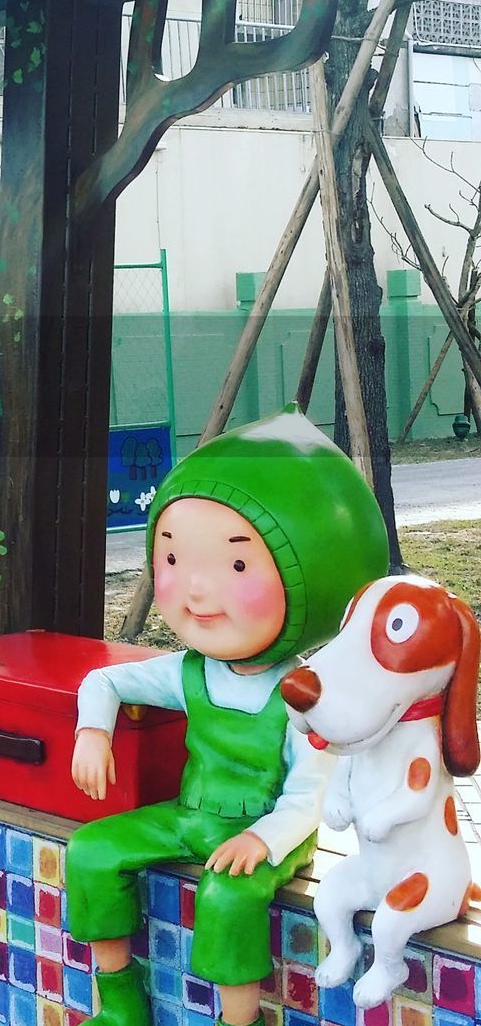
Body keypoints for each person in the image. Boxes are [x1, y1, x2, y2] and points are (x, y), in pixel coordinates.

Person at [66, 405, 389, 1026]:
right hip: (191, 816)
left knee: (227, 895)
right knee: (92, 850)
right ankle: (121, 1004)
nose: (196, 591)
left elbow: (307, 800)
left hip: (270, 835)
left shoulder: (301, 696)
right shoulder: (187, 672)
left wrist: (261, 840)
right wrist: (92, 730)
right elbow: (104, 679)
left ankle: (239, 1022)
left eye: (237, 565)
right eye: (174, 559)